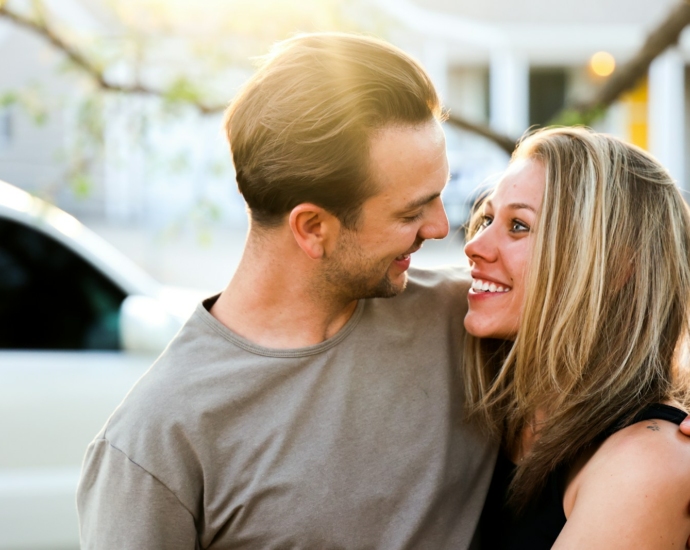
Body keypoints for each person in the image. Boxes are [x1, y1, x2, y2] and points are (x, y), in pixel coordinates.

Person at [76, 33, 496, 549]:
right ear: (313, 228)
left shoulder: (473, 322)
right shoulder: (157, 443)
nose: (439, 227)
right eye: (411, 211)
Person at [464, 126, 690, 548]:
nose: (474, 245)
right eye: (487, 218)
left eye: (518, 226)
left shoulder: (645, 462)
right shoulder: (498, 411)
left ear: (617, 267)